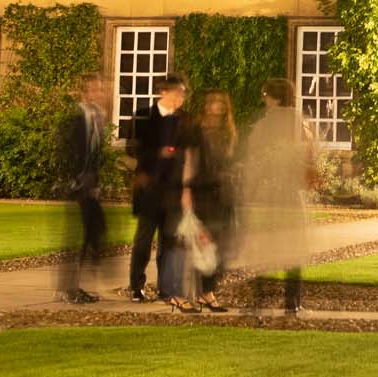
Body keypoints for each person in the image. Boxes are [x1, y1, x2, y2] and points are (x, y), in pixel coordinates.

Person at [237, 77, 314, 318]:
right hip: (291, 193)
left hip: (270, 192)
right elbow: (309, 155)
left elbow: (255, 156)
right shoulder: (300, 122)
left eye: (266, 94)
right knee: (294, 247)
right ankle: (293, 302)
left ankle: (259, 300)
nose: (264, 99)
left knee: (264, 247)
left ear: (275, 97)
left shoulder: (266, 124)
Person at [126, 74, 190, 303]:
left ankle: (166, 288)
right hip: (149, 188)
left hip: (174, 190)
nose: (181, 97)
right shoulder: (143, 116)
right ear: (163, 92)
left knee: (169, 242)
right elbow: (132, 149)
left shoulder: (186, 120)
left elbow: (191, 152)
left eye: (183, 93)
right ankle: (136, 287)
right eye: (177, 92)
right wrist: (158, 153)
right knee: (143, 241)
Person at [178, 89, 238, 313]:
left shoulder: (227, 133)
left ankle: (207, 291)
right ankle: (203, 294)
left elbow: (229, 162)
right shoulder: (196, 130)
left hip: (223, 193)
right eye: (213, 103)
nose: (217, 107)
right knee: (203, 243)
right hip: (202, 191)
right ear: (206, 105)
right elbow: (189, 161)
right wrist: (185, 190)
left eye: (221, 104)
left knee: (222, 246)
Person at [56, 71, 112, 304]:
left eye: (101, 88)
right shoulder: (75, 118)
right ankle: (69, 288)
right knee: (81, 234)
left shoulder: (97, 116)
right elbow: (68, 152)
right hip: (77, 184)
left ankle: (76, 285)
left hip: (89, 184)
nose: (100, 93)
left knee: (94, 231)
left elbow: (95, 154)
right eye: (96, 89)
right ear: (85, 92)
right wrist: (75, 179)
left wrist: (95, 182)